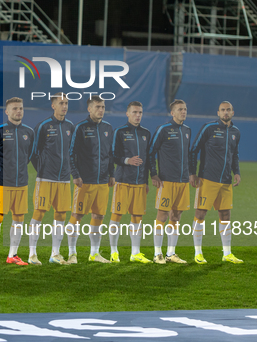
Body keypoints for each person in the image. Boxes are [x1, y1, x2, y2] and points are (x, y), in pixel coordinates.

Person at [189, 101, 243, 264]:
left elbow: (234, 155)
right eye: (223, 110)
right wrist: (192, 173)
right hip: (207, 179)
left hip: (226, 181)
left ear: (233, 112)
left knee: (225, 215)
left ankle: (227, 253)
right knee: (200, 214)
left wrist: (237, 172)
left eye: (228, 110)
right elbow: (194, 150)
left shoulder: (236, 132)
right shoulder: (209, 128)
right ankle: (198, 253)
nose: (226, 113)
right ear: (218, 113)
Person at [0, 97, 34, 266]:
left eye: (20, 108)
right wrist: (0, 171)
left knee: (19, 219)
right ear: (7, 112)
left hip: (21, 183)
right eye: (14, 109)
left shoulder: (29, 132)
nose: (18, 111)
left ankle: (12, 255)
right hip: (3, 183)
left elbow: (29, 155)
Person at [67, 96, 114, 264]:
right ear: (89, 109)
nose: (101, 110)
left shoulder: (108, 128)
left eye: (103, 107)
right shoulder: (80, 127)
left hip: (102, 182)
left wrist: (112, 174)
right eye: (97, 107)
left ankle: (94, 253)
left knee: (98, 216)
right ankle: (72, 254)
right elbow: (71, 153)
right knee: (77, 215)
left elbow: (110, 154)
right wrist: (76, 175)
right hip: (84, 181)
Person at [29, 92, 75, 265]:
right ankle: (32, 254)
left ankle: (55, 254)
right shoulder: (43, 126)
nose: (64, 106)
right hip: (46, 179)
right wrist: (41, 169)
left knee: (61, 214)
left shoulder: (71, 126)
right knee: (39, 213)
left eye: (67, 103)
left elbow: (72, 153)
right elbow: (33, 151)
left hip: (63, 179)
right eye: (61, 103)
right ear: (53, 105)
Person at [148, 99, 191, 264]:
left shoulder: (187, 130)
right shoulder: (163, 130)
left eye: (185, 109)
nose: (183, 112)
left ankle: (171, 253)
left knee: (176, 216)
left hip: (183, 181)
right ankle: (157, 253)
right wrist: (154, 174)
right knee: (162, 215)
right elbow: (151, 152)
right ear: (172, 113)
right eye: (180, 109)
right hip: (166, 181)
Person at [110, 101, 152, 264]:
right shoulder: (120, 132)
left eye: (140, 112)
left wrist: (146, 181)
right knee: (116, 216)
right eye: (134, 112)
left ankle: (135, 252)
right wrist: (127, 160)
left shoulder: (146, 133)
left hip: (140, 183)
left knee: (137, 217)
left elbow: (147, 160)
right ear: (127, 114)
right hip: (123, 181)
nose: (138, 115)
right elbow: (112, 155)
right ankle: (114, 251)